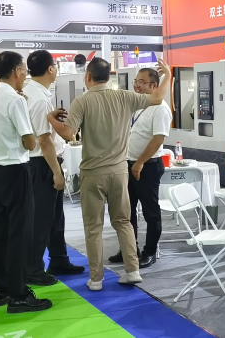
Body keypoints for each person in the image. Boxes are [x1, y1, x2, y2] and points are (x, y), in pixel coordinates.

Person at [47, 57, 171, 291]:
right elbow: (157, 98)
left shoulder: (82, 101)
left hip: (92, 172)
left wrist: (51, 120)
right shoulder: (124, 97)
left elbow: (68, 134)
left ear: (88, 77)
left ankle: (96, 279)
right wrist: (168, 76)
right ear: (109, 77)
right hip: (119, 172)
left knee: (93, 227)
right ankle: (132, 270)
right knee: (123, 221)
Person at [0, 51, 52, 313]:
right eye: (23, 70)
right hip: (16, 169)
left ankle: (2, 288)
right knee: (20, 233)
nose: (25, 75)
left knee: (1, 232)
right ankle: (19, 294)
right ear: (17, 71)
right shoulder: (15, 99)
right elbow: (30, 142)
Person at [23, 50, 85, 286]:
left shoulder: (35, 93)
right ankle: (33, 269)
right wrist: (57, 173)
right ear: (50, 69)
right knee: (42, 218)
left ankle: (59, 259)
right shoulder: (37, 98)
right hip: (43, 163)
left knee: (55, 216)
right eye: (56, 66)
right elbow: (44, 140)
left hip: (44, 161)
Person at [108, 68, 172, 269]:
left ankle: (150, 251)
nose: (137, 85)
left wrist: (140, 162)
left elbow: (158, 139)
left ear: (154, 86)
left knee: (150, 211)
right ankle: (129, 249)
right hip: (128, 163)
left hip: (148, 166)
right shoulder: (139, 104)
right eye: (136, 81)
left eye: (142, 82)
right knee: (126, 210)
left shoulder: (160, 108)